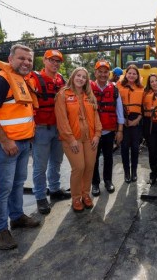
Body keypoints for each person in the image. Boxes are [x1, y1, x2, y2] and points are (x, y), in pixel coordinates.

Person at [0, 44, 40, 250]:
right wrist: (5, 141)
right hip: (2, 145)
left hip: (22, 143)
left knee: (17, 183)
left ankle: (17, 216)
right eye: (21, 58)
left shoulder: (22, 80)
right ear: (10, 59)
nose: (26, 63)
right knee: (2, 188)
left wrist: (27, 135)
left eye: (29, 60)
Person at [27, 49, 70, 215]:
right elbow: (27, 105)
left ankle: (54, 189)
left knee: (56, 162)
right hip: (41, 129)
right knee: (40, 166)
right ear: (44, 61)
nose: (55, 64)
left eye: (58, 61)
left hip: (58, 128)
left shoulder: (61, 80)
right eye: (52, 60)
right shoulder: (34, 79)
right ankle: (40, 197)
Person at [55, 67, 102, 212]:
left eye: (84, 77)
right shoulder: (63, 94)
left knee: (89, 166)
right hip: (72, 139)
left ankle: (85, 194)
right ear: (73, 76)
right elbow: (62, 120)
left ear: (87, 81)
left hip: (90, 138)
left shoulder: (90, 95)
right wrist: (70, 139)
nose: (80, 78)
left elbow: (96, 118)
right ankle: (76, 198)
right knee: (79, 167)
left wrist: (97, 135)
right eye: (78, 75)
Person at [90, 60, 125, 196]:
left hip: (109, 130)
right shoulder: (88, 88)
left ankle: (108, 180)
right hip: (93, 132)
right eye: (100, 72)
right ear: (95, 73)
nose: (103, 75)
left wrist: (120, 130)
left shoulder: (114, 89)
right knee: (93, 158)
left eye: (106, 72)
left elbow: (119, 111)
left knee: (109, 157)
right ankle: (95, 183)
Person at [116, 64, 144, 183]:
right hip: (123, 120)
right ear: (125, 75)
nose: (132, 75)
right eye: (129, 73)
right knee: (124, 148)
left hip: (136, 120)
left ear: (137, 76)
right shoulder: (118, 87)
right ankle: (126, 172)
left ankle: (134, 172)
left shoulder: (142, 89)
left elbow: (144, 107)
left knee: (135, 148)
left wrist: (137, 120)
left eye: (134, 73)